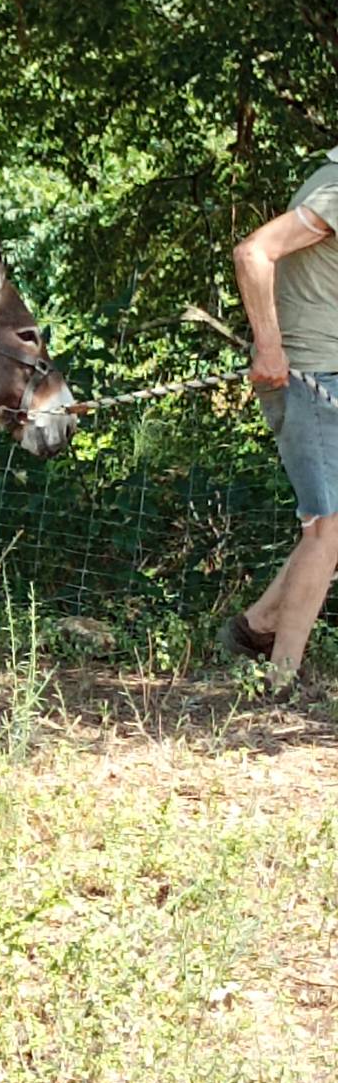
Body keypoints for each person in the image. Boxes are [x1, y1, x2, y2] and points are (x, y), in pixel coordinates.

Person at [220, 146, 338, 693]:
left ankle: (259, 625)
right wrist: (269, 349)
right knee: (326, 529)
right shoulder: (336, 189)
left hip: (323, 370)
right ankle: (282, 681)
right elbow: (253, 253)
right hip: (312, 376)